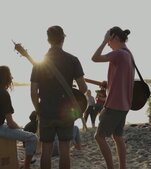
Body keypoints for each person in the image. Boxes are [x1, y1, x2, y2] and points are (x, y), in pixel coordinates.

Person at [30, 25, 87, 169]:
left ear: (48, 40)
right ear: (63, 39)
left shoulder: (39, 63)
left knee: (46, 152)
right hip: (65, 113)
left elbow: (33, 92)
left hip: (46, 112)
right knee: (65, 152)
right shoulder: (73, 60)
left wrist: (39, 109)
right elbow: (83, 88)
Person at [91, 26, 135, 169]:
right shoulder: (129, 54)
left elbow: (94, 58)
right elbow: (121, 80)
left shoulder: (119, 54)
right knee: (117, 137)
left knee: (99, 137)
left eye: (109, 41)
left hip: (114, 105)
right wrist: (108, 84)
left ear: (114, 37)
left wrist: (103, 41)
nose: (108, 44)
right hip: (124, 105)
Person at [0, 65, 37, 169]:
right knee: (32, 138)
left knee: (16, 130)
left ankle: (19, 160)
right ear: (7, 78)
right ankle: (26, 166)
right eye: (10, 76)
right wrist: (19, 129)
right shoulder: (2, 93)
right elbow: (10, 123)